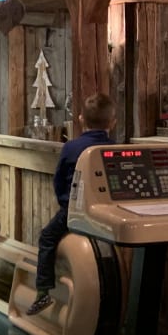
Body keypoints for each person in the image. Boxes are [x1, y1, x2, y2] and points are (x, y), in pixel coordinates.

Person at [25, 93, 115, 316]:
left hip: (75, 212)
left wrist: (66, 203)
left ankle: (43, 290)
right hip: (107, 213)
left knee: (47, 237)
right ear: (112, 123)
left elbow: (59, 182)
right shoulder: (115, 148)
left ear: (81, 119)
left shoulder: (71, 147)